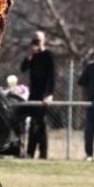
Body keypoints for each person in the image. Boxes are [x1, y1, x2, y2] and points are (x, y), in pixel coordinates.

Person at [20, 30, 55, 159]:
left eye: (38, 40)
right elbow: (23, 68)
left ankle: (32, 152)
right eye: (34, 40)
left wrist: (50, 93)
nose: (36, 43)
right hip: (34, 93)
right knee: (38, 124)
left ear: (44, 41)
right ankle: (41, 153)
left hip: (44, 93)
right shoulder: (32, 55)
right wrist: (28, 55)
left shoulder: (48, 55)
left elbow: (53, 76)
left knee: (37, 123)